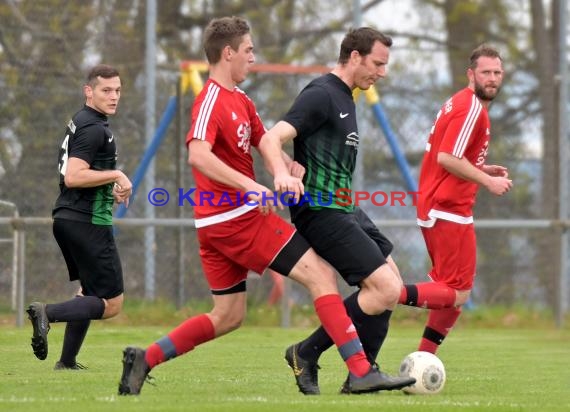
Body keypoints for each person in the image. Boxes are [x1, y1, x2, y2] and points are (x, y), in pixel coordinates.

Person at [117, 16, 413, 396]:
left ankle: (145, 358)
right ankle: (358, 369)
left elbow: (266, 141)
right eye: (248, 50)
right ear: (228, 53)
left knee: (228, 316)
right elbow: (197, 155)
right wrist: (250, 185)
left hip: (222, 223)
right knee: (320, 275)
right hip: (234, 218)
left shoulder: (241, 100)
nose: (253, 58)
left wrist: (285, 171)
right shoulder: (209, 99)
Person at [259, 27, 415, 395]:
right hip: (319, 209)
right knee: (384, 288)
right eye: (377, 63)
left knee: (389, 281)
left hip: (345, 206)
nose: (382, 72)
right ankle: (316, 356)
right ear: (355, 56)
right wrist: (282, 173)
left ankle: (357, 373)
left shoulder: (348, 97)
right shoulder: (321, 94)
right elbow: (269, 138)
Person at [397, 44, 512, 354]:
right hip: (447, 209)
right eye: (486, 72)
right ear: (470, 74)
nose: (492, 78)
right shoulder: (470, 107)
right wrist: (488, 180)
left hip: (444, 207)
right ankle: (387, 293)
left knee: (453, 294)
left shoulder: (461, 103)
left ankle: (423, 359)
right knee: (457, 293)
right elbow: (448, 157)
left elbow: (448, 154)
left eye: (497, 73)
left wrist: (480, 166)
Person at [26, 64, 132, 369]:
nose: (114, 97)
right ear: (89, 91)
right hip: (87, 222)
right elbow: (74, 176)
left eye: (117, 90)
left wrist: (108, 187)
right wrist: (117, 174)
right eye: (106, 90)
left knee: (89, 291)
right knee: (111, 303)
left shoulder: (83, 120)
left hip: (70, 218)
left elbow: (82, 176)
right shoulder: (93, 128)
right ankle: (47, 313)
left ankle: (67, 361)